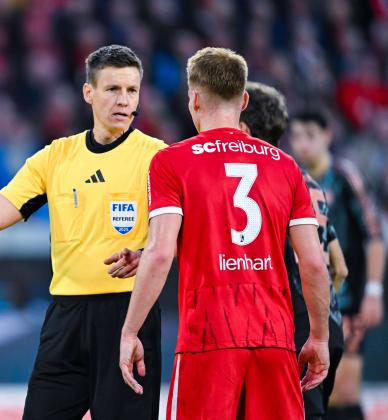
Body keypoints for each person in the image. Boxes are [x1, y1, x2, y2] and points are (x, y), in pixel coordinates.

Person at [0, 44, 166, 419]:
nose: (124, 100)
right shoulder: (55, 158)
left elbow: (190, 234)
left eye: (132, 90)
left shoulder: (159, 158)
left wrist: (146, 256)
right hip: (65, 319)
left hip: (129, 315)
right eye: (113, 89)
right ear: (88, 93)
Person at [118, 47, 330, 419]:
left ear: (194, 100)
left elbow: (161, 253)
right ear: (244, 99)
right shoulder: (285, 166)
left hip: (208, 337)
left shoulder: (171, 162)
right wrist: (319, 337)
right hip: (274, 338)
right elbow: (313, 262)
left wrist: (130, 330)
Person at [240, 82, 346, 420]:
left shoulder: (256, 181)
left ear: (243, 127)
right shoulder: (306, 180)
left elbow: (308, 263)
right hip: (329, 324)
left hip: (296, 329)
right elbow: (339, 266)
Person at [290, 110, 386, 420]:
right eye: (297, 137)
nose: (302, 144)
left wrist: (372, 291)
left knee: (343, 391)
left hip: (347, 303)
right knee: (316, 389)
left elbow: (373, 237)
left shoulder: (346, 178)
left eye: (310, 136)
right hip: (309, 304)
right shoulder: (293, 178)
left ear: (327, 137)